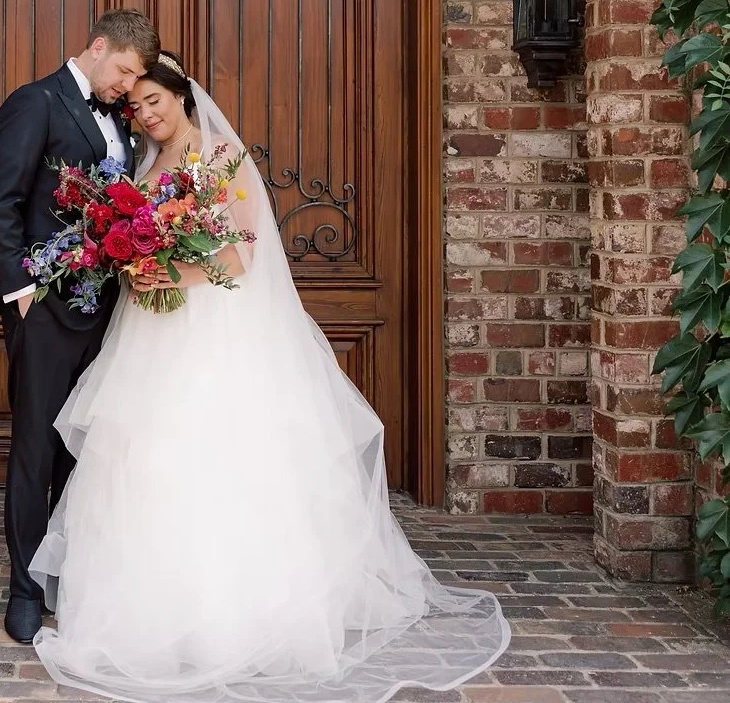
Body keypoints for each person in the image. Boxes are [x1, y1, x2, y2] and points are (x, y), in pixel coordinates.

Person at [29, 51, 511, 703]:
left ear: (181, 95)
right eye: (135, 107)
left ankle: (241, 618)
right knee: (149, 462)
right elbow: (145, 238)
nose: (145, 114)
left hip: (215, 332)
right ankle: (154, 610)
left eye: (154, 101)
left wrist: (169, 272)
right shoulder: (147, 167)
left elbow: (239, 253)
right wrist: (134, 267)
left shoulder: (223, 161)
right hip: (153, 333)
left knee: (226, 462)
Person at [0, 8, 161, 644]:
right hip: (46, 306)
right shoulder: (37, 102)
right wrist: (21, 292)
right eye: (124, 72)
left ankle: (65, 572)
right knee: (35, 446)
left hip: (107, 307)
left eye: (136, 79)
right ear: (98, 46)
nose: (127, 87)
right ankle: (25, 588)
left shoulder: (118, 118)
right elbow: (0, 199)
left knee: (81, 445)